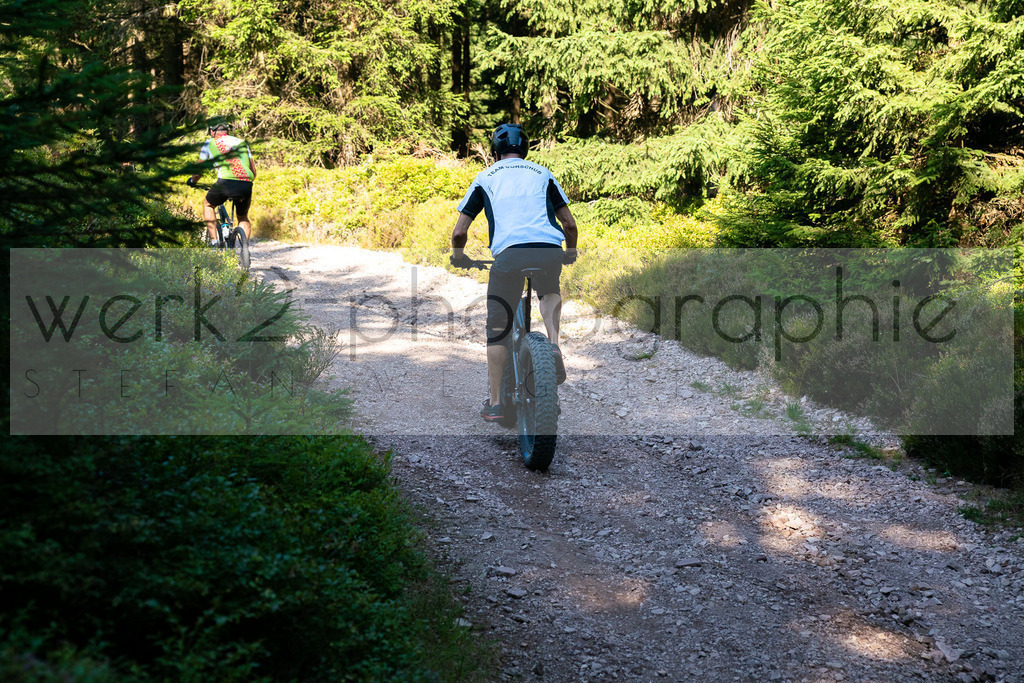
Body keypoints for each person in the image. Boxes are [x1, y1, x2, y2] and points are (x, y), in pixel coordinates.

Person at [450, 123, 578, 423]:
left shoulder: (485, 177)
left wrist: (459, 257)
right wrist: (570, 252)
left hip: (509, 256)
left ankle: (496, 403)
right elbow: (569, 224)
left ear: (495, 152)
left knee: (498, 328)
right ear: (525, 150)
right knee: (549, 291)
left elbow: (459, 232)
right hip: (548, 251)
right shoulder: (543, 173)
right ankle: (554, 346)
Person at [187, 121, 256, 245]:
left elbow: (198, 172)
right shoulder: (242, 142)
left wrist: (193, 181)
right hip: (246, 182)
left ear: (212, 132)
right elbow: (253, 171)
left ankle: (214, 242)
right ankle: (245, 250)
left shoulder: (210, 143)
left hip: (226, 182)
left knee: (208, 205)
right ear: (227, 131)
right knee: (243, 217)